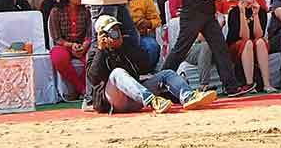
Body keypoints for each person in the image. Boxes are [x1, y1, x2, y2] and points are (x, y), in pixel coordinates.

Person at [85, 15, 217, 114]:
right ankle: (153, 101)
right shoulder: (95, 52)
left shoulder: (126, 45)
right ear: (102, 34)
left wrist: (125, 47)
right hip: (114, 100)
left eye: (117, 29)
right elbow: (94, 78)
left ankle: (188, 96)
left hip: (136, 97)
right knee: (117, 73)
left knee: (167, 73)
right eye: (111, 31)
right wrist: (101, 51)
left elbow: (145, 65)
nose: (116, 34)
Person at [226, 0, 274, 92]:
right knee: (248, 43)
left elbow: (259, 35)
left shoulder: (261, 11)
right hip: (237, 47)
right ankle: (249, 84)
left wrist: (255, 14)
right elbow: (244, 37)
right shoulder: (234, 12)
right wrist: (242, 13)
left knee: (260, 42)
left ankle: (267, 84)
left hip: (254, 46)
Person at [48, 0, 92, 99]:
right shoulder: (56, 11)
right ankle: (81, 89)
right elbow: (56, 38)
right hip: (64, 45)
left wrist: (85, 45)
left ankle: (84, 90)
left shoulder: (87, 10)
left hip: (83, 45)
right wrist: (71, 45)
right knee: (58, 57)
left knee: (95, 56)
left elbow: (89, 33)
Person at [128, 0, 163, 71]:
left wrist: (147, 23)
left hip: (141, 36)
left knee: (152, 47)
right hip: (120, 36)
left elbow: (157, 21)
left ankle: (147, 72)